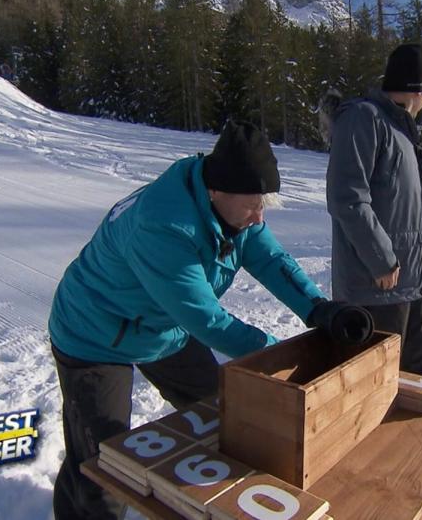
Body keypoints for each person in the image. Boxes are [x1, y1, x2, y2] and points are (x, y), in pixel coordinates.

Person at [48, 119, 371, 520]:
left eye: (263, 204)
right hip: (93, 332)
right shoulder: (163, 226)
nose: (258, 217)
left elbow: (270, 258)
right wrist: (283, 357)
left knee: (221, 416)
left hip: (163, 329)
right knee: (104, 462)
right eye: (253, 204)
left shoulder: (229, 202)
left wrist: (319, 308)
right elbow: (208, 321)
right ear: (215, 191)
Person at [325, 43, 422, 381]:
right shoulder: (364, 118)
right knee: (376, 387)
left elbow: (408, 206)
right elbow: (346, 196)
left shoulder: (402, 128)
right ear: (420, 89)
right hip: (378, 287)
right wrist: (381, 257)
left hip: (414, 282)